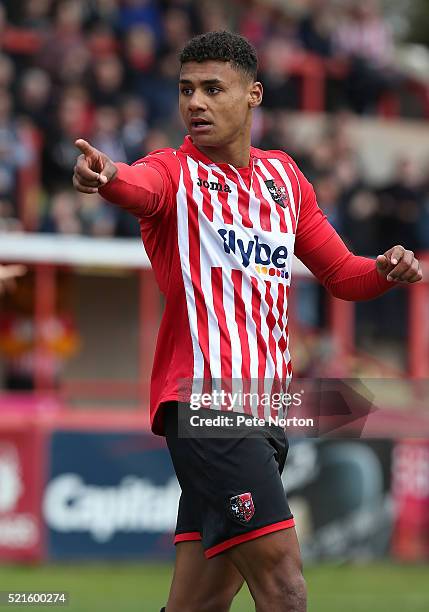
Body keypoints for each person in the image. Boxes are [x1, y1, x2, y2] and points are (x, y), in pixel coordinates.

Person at [72, 31, 422, 612]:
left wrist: (387, 269)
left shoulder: (283, 179)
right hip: (205, 407)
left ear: (253, 94)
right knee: (285, 586)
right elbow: (138, 184)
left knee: (198, 604)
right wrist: (105, 176)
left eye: (213, 89)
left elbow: (343, 275)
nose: (196, 103)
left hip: (268, 410)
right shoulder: (174, 173)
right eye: (186, 90)